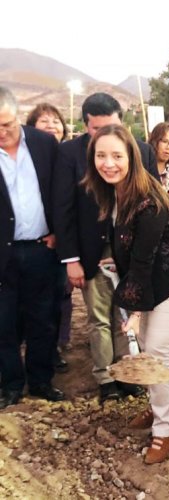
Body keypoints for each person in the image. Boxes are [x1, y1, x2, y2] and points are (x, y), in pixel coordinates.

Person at [82, 123, 169, 465]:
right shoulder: (113, 190)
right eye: (101, 155)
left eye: (117, 156)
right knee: (151, 348)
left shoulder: (147, 199)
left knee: (157, 351)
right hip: (153, 276)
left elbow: (144, 261)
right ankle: (156, 406)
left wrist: (133, 315)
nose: (109, 163)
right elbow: (131, 248)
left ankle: (166, 429)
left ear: (131, 158)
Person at [53, 92, 158, 403]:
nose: (106, 139)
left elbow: (150, 205)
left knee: (128, 315)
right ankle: (105, 377)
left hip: (131, 251)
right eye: (97, 130)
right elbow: (64, 209)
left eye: (112, 128)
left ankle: (128, 374)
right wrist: (71, 259)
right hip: (92, 251)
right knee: (100, 317)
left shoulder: (142, 151)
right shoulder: (69, 154)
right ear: (86, 126)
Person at [0, 86, 65, 409]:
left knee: (44, 319)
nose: (1, 132)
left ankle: (41, 381)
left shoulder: (42, 144)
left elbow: (60, 192)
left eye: (6, 125)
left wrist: (58, 232)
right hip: (4, 255)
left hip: (42, 249)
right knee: (4, 322)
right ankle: (11, 384)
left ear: (17, 117)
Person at [26, 102, 72, 371]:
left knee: (59, 297)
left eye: (56, 121)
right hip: (27, 242)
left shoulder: (66, 155)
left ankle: (54, 347)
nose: (52, 125)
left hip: (59, 240)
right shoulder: (25, 159)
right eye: (45, 121)